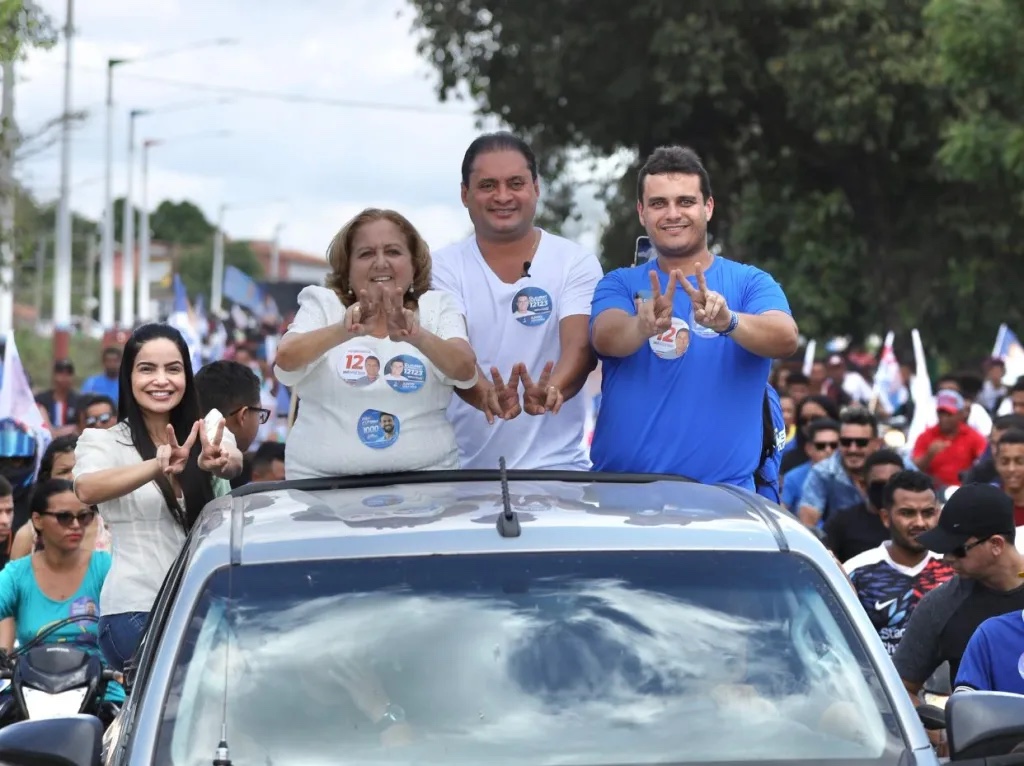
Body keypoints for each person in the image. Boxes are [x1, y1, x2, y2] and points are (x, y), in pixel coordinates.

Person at [589, 146, 798, 486]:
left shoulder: (750, 282)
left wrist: (730, 321)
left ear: (708, 207)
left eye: (685, 202)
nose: (673, 213)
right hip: (621, 498)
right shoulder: (619, 282)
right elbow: (605, 336)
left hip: (724, 502)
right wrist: (640, 326)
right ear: (642, 212)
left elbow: (786, 338)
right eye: (659, 203)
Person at [73, 323, 242, 672]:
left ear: (187, 376)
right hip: (134, 610)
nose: (161, 380)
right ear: (128, 377)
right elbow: (86, 488)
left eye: (173, 369)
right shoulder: (102, 442)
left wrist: (219, 461)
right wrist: (157, 465)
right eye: (147, 369)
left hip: (204, 605)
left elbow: (233, 462)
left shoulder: (206, 428)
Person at [431, 132, 603, 470]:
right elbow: (452, 354)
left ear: (536, 188)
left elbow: (580, 349)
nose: (503, 196)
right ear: (465, 194)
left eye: (515, 183)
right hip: (462, 476)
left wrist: (554, 389)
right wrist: (485, 395)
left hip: (560, 473)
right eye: (488, 186)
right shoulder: (441, 268)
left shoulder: (576, 262)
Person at [274, 209, 481, 479]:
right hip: (321, 493)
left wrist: (417, 336)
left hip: (427, 489)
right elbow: (286, 358)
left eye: (393, 252)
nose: (380, 263)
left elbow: (464, 369)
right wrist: (343, 331)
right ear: (347, 269)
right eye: (366, 253)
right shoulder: (322, 305)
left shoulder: (438, 307)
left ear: (414, 264)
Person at [893, 483, 1024, 699]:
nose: (947, 558)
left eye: (957, 549)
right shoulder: (940, 605)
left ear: (996, 545)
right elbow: (900, 689)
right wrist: (943, 731)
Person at [0, 479, 124, 703]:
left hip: (102, 695)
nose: (76, 525)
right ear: (37, 520)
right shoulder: (16, 575)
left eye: (84, 516)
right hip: (29, 694)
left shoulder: (107, 567)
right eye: (64, 517)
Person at [843, 471, 953, 655]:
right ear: (886, 517)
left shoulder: (955, 567)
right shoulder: (855, 572)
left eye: (928, 513)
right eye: (907, 513)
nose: (919, 522)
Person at [11, 435, 111, 559]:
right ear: (47, 479)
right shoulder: (29, 536)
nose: (73, 477)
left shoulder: (113, 527)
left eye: (80, 469)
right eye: (64, 472)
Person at [798, 408, 881, 528]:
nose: (853, 449)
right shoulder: (822, 472)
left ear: (876, 444)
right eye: (846, 442)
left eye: (861, 442)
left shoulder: (895, 469)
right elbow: (807, 524)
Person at [194, 360, 266, 496]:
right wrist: (228, 459)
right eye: (260, 413)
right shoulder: (214, 444)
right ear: (243, 415)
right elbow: (226, 449)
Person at [825, 449, 906, 563]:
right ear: (863, 485)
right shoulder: (842, 522)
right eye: (880, 484)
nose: (887, 489)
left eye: (893, 483)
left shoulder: (915, 522)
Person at [912, 390, 987, 488]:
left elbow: (985, 461)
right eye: (941, 413)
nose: (944, 418)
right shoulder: (926, 436)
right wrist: (929, 455)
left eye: (949, 414)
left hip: (963, 490)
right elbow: (916, 468)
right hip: (933, 491)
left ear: (960, 414)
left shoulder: (973, 436)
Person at [781, 418, 840, 512]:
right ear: (809, 448)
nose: (828, 450)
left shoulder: (850, 476)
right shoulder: (792, 478)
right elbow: (782, 511)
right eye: (821, 446)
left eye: (834, 445)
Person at [34, 359, 80, 437]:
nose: (64, 377)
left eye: (68, 374)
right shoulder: (41, 399)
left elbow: (79, 428)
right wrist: (55, 432)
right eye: (61, 373)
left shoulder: (78, 401)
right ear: (54, 375)